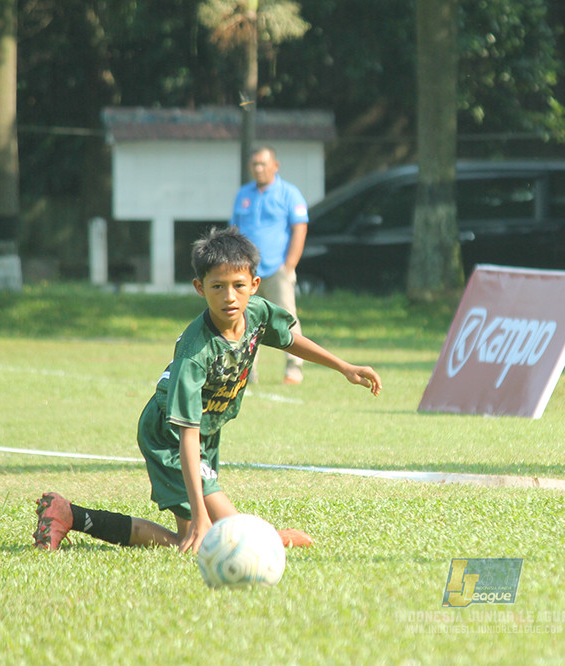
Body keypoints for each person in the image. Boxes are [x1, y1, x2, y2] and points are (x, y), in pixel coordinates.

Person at [33, 227, 383, 554]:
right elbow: (186, 434)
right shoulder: (195, 353)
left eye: (238, 285)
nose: (229, 296)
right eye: (217, 286)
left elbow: (291, 339)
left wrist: (344, 366)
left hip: (205, 432)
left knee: (188, 540)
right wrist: (201, 511)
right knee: (233, 534)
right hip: (170, 435)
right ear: (200, 287)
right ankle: (267, 539)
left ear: (255, 285)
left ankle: (70, 515)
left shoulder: (257, 313)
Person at [230, 146, 309, 385]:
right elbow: (234, 230)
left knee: (286, 319)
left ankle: (294, 369)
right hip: (246, 271)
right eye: (255, 164)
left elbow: (300, 227)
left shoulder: (289, 193)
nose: (259, 169)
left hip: (276, 270)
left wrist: (289, 265)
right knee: (244, 321)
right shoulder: (244, 194)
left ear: (275, 166)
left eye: (263, 164)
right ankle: (245, 373)